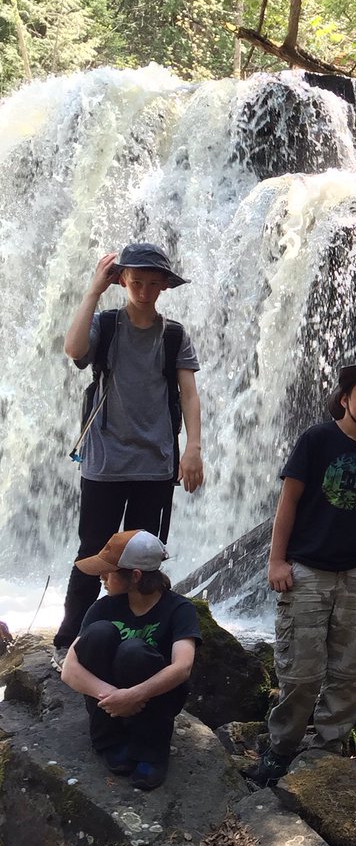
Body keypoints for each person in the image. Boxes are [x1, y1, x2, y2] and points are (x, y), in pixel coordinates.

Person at [246, 361, 356, 786]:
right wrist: (277, 561)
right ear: (345, 398)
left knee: (351, 669)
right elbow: (288, 502)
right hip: (308, 570)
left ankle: (329, 748)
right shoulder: (317, 439)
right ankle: (281, 749)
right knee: (300, 670)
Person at [56, 245, 204, 666]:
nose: (143, 289)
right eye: (135, 280)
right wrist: (92, 291)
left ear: (164, 286)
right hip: (104, 462)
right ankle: (71, 640)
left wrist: (192, 448)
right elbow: (73, 349)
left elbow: (189, 394)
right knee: (92, 550)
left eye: (152, 282)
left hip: (155, 465)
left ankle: (139, 638)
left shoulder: (173, 334)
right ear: (122, 281)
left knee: (147, 558)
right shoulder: (105, 324)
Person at [60, 529, 200, 791]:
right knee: (99, 633)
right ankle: (109, 741)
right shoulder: (103, 607)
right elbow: (69, 669)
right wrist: (114, 695)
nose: (101, 577)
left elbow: (183, 667)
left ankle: (151, 752)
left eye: (108, 571)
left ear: (135, 576)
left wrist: (135, 695)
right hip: (110, 702)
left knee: (134, 651)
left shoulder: (179, 608)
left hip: (155, 703)